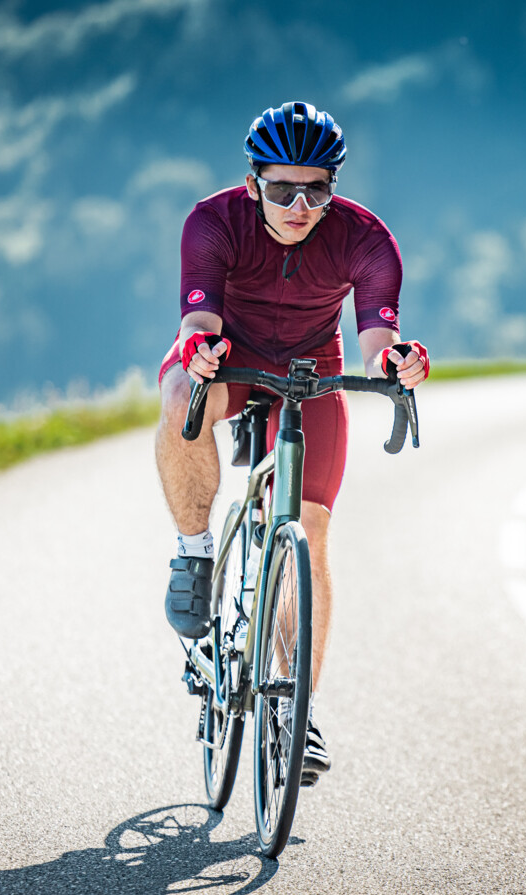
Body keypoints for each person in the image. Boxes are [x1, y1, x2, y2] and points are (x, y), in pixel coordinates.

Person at [155, 102, 429, 786]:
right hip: (231, 356)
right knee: (181, 395)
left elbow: (377, 337)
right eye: (282, 190)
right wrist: (199, 352)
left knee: (309, 529)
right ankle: (194, 550)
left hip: (312, 368)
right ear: (254, 184)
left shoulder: (366, 238)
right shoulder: (213, 222)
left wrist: (396, 362)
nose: (300, 206)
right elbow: (199, 320)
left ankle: (295, 706)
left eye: (316, 190)